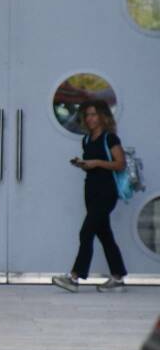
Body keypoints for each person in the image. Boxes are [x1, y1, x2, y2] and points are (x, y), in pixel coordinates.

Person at [52, 100, 128, 293]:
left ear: (103, 116)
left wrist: (98, 163)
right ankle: (118, 277)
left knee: (86, 232)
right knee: (104, 234)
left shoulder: (110, 138)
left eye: (94, 114)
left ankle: (74, 277)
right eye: (87, 115)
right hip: (91, 190)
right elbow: (91, 164)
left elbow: (120, 164)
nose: (90, 118)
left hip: (107, 191)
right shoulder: (86, 139)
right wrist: (83, 163)